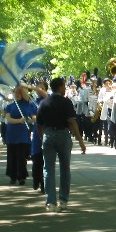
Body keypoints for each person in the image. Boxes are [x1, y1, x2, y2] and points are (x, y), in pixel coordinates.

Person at [36, 77, 86, 212]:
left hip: (48, 135)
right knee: (65, 168)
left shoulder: (44, 103)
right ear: (60, 87)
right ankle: (63, 200)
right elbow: (72, 122)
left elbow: (39, 125)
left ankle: (50, 202)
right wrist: (80, 141)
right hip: (63, 135)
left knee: (48, 169)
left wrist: (43, 137)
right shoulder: (66, 102)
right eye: (64, 86)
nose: (65, 89)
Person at [5, 86, 37, 186]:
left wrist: (32, 120)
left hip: (23, 134)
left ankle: (21, 176)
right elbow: (9, 119)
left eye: (19, 93)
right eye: (15, 93)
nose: (17, 94)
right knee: (12, 155)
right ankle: (12, 175)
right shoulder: (10, 106)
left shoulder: (29, 104)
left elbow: (33, 117)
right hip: (11, 133)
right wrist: (19, 120)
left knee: (22, 156)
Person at [28, 82, 49, 193]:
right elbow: (33, 117)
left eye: (42, 88)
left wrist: (34, 87)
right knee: (37, 159)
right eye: (38, 88)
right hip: (37, 133)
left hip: (48, 132)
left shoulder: (48, 101)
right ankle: (37, 179)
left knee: (46, 160)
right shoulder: (33, 103)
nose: (39, 90)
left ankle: (44, 183)